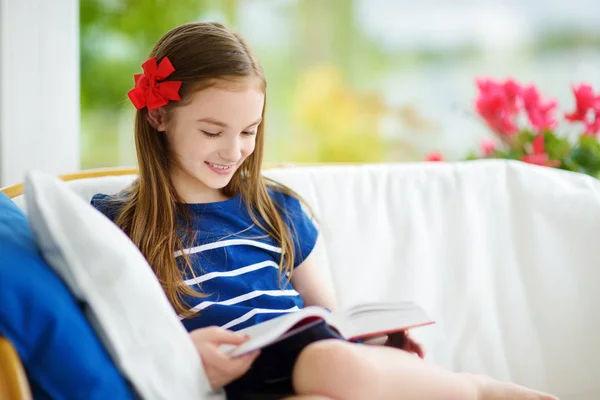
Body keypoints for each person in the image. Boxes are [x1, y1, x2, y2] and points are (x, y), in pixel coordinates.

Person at [91, 21, 559, 400]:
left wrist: (373, 343)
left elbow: (328, 317)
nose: (234, 151)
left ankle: (477, 390)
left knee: (328, 362)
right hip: (237, 382)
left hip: (312, 360)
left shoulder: (275, 209)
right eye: (213, 132)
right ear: (158, 116)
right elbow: (112, 333)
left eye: (249, 132)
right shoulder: (119, 224)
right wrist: (184, 351)